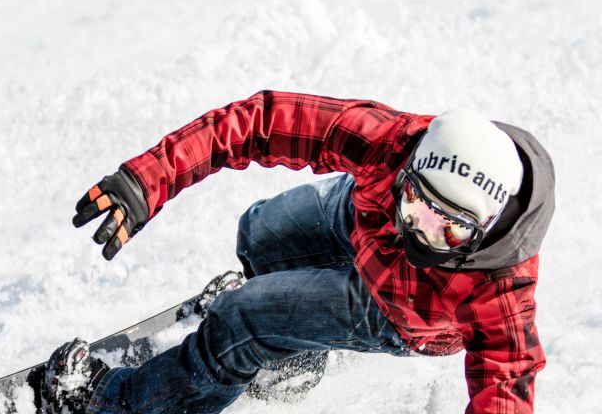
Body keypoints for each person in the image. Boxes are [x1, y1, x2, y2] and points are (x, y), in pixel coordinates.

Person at [39, 90, 555, 414]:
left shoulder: (501, 288)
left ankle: (119, 404)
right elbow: (261, 122)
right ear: (408, 169)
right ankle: (289, 367)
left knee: (243, 319)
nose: (418, 234)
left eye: (449, 231)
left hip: (404, 312)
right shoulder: (389, 143)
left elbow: (506, 389)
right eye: (417, 205)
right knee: (260, 234)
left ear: (483, 227)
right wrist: (150, 178)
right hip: (362, 217)